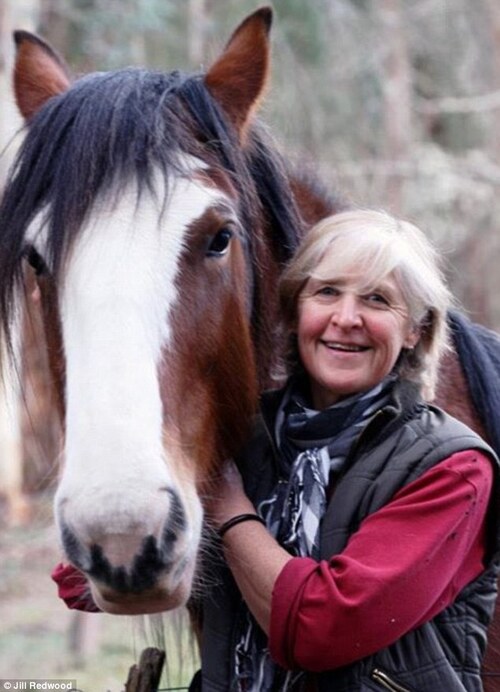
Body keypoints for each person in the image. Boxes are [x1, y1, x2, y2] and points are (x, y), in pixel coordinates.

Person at [53, 209, 500, 691]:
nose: (345, 319)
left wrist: (228, 509)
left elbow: (321, 629)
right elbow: (83, 582)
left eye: (377, 300)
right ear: (294, 311)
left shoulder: (452, 467)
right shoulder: (247, 439)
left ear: (415, 329)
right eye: (326, 292)